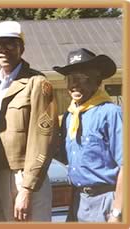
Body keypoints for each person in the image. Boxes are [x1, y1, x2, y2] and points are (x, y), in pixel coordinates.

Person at [0, 21, 58, 222]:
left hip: (23, 176)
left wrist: (27, 188)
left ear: (22, 48)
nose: (4, 50)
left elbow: (45, 138)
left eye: (11, 44)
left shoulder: (37, 83)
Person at [53, 48, 123, 223]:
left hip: (106, 200)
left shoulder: (111, 113)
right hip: (78, 202)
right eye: (70, 79)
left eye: (82, 78)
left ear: (97, 81)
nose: (74, 85)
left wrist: (117, 211)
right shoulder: (69, 117)